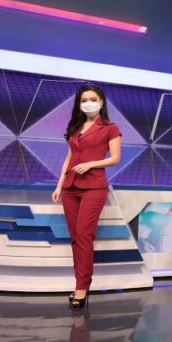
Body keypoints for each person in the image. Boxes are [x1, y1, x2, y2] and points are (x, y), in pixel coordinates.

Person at [52, 84, 122, 310]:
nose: (88, 103)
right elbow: (69, 157)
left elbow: (115, 158)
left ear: (101, 102)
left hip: (93, 187)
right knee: (75, 238)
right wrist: (59, 185)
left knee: (84, 235)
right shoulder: (75, 126)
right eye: (84, 100)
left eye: (93, 99)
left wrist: (91, 164)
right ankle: (80, 282)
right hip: (70, 187)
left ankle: (82, 287)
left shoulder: (110, 127)